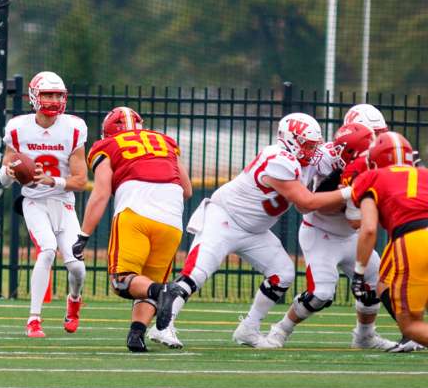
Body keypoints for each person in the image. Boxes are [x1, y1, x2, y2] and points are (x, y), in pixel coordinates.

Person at [154, 113, 351, 348]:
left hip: (255, 230)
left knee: (283, 273)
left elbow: (339, 155)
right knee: (196, 274)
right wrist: (351, 192)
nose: (312, 151)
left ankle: (248, 329)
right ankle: (162, 328)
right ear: (291, 140)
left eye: (314, 145)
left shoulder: (309, 157)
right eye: (307, 145)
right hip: (225, 219)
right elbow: (305, 203)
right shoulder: (278, 158)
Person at [263, 123, 396, 350]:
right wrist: (349, 194)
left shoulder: (370, 164)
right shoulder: (322, 157)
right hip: (321, 233)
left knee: (376, 283)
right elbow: (312, 205)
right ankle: (281, 329)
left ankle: (365, 336)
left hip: (352, 236)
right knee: (321, 294)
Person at [71, 107, 192, 352]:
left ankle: (164, 291)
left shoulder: (106, 146)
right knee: (147, 281)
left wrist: (83, 235)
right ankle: (137, 334)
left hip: (136, 211)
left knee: (122, 281)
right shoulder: (166, 141)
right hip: (171, 217)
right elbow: (187, 190)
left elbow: (101, 192)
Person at [0, 71, 89, 337]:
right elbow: (3, 176)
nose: (52, 100)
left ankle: (74, 301)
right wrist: (9, 173)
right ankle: (34, 319)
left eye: (57, 95)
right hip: (34, 201)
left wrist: (53, 181)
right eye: (47, 94)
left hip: (62, 202)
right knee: (47, 250)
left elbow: (81, 180)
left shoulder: (74, 128)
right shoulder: (17, 128)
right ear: (34, 97)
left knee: (76, 267)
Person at [351, 132, 428, 349]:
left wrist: (358, 272)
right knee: (385, 278)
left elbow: (368, 229)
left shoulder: (371, 178)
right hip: (408, 238)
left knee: (411, 325)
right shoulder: (423, 174)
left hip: (413, 238)